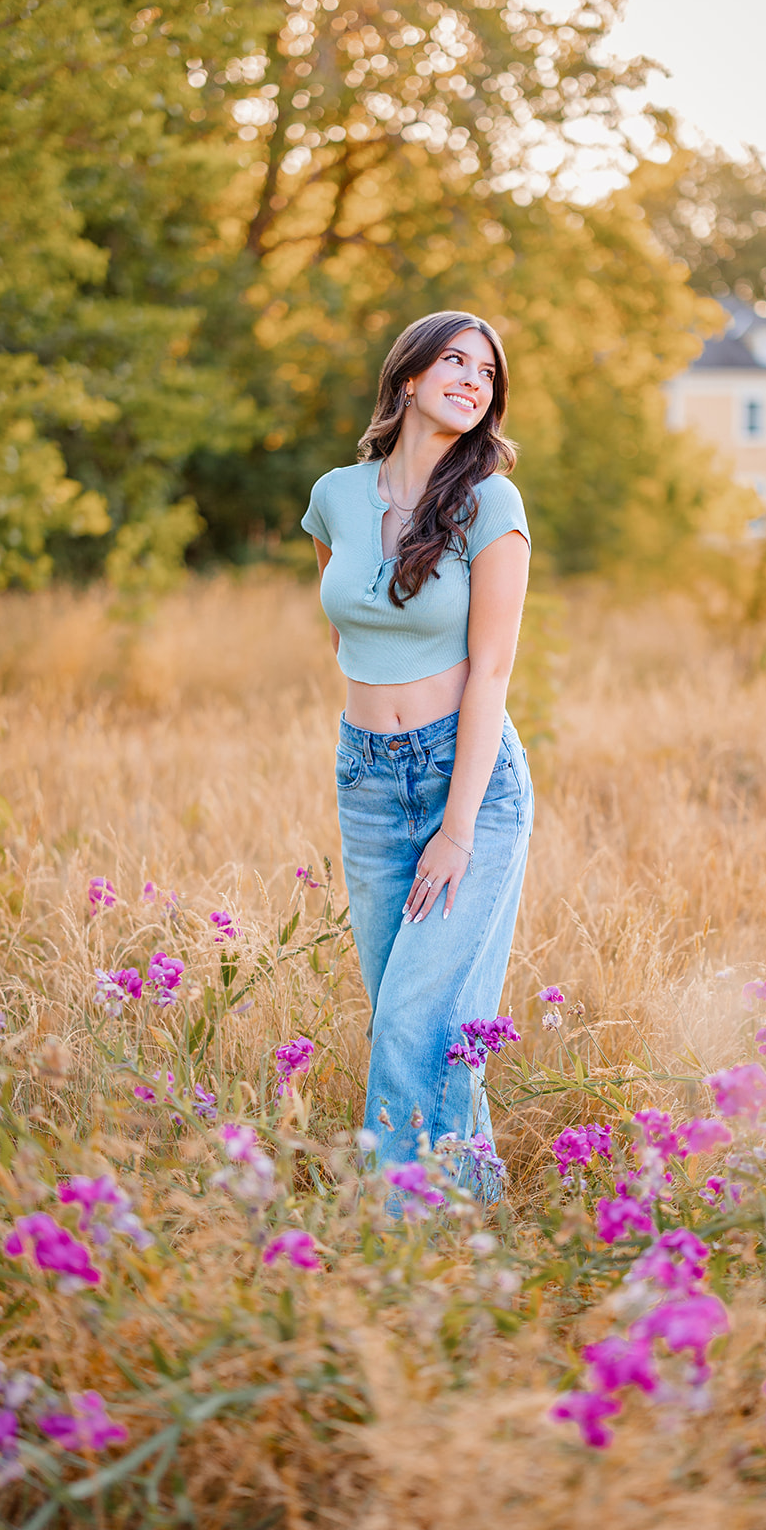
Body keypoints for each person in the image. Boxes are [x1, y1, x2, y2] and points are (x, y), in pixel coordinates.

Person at [300, 309, 533, 1196]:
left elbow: (493, 671)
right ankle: (471, 1213)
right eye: (455, 361)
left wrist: (458, 829)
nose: (473, 379)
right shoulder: (335, 494)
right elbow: (340, 610)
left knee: (411, 1023)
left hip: (464, 780)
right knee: (416, 1018)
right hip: (364, 775)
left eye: (487, 373)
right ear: (407, 377)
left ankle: (402, 1238)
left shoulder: (489, 503)